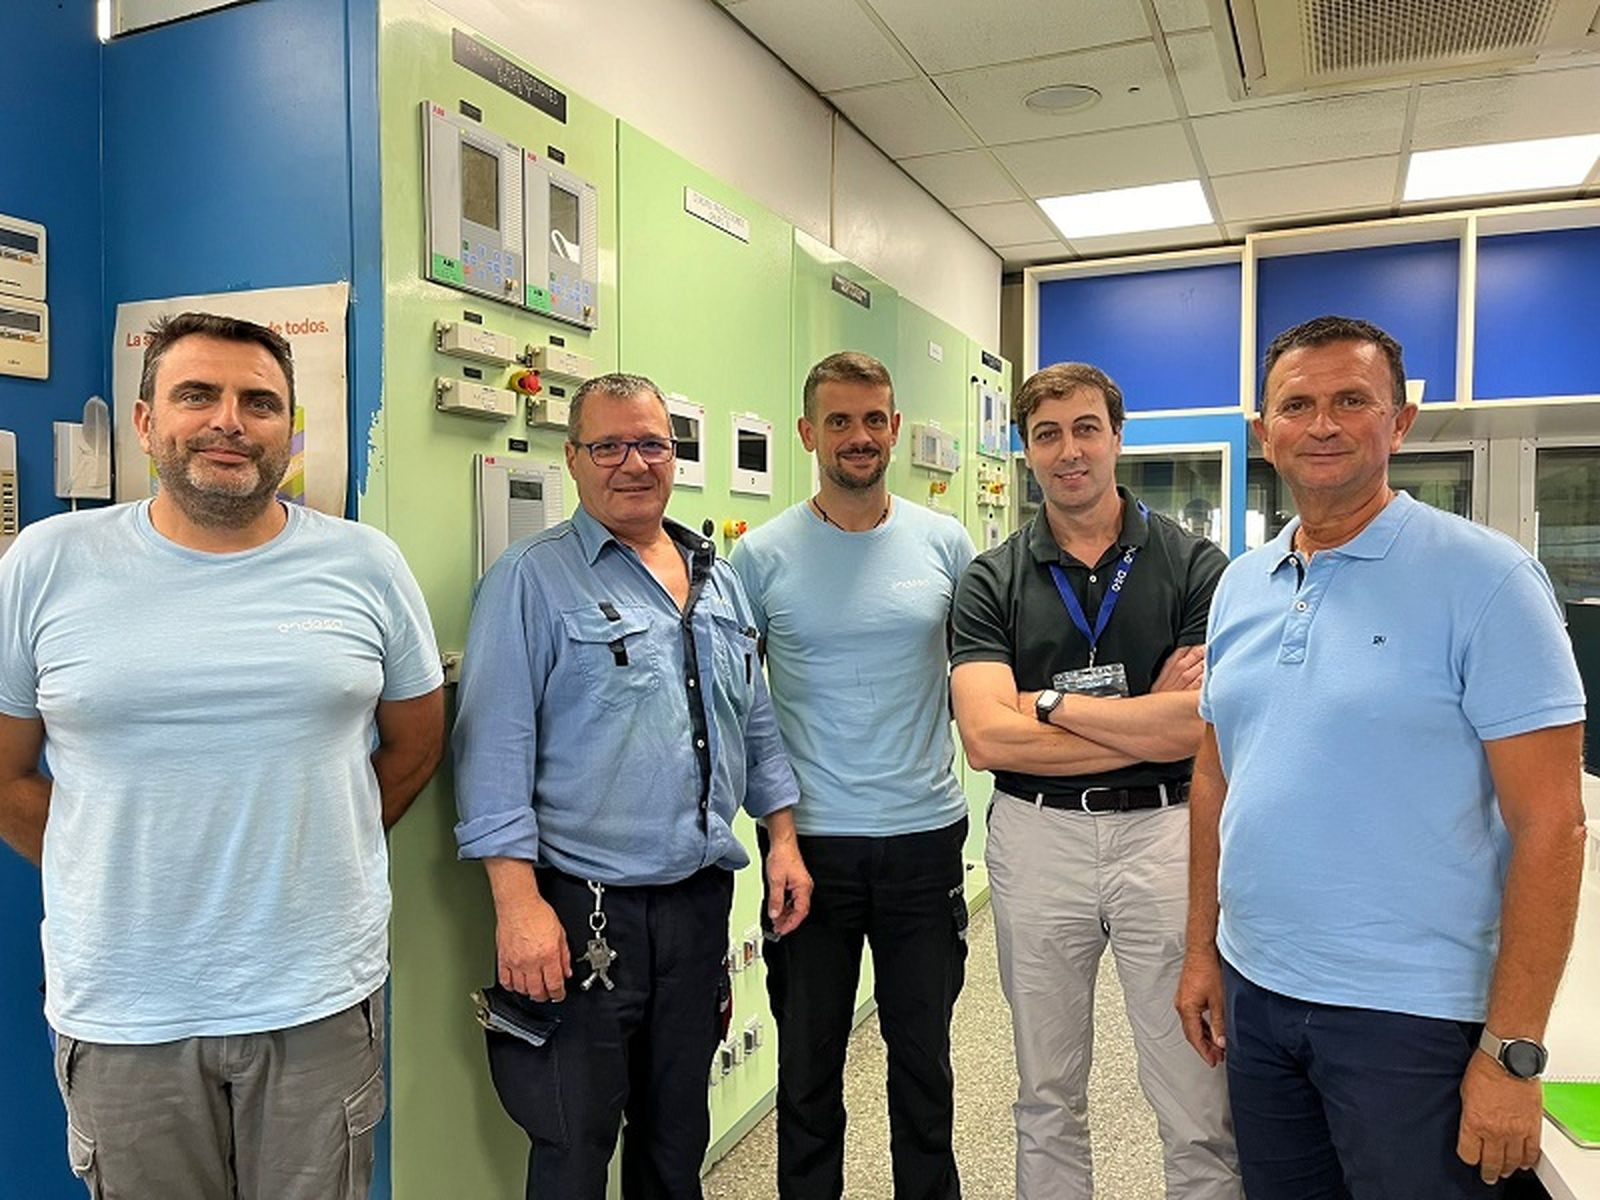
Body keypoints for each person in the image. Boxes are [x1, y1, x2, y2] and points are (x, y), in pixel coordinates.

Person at [0, 311, 446, 1200]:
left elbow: (415, 746)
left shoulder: (367, 565)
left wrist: (316, 845)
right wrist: (115, 870)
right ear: (144, 422)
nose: (229, 422)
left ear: (290, 427)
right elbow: (4, 773)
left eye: (260, 402)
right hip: (124, 1001)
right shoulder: (49, 561)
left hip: (317, 992)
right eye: (196, 395)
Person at [1176, 315, 1587, 1198]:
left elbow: (1552, 822)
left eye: (1351, 400)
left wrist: (1512, 1053)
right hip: (1258, 990)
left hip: (1415, 1018)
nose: (1322, 423)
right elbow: (1215, 774)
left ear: (1398, 424)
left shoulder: (1490, 580)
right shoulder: (1241, 584)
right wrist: (1202, 951)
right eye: (1298, 404)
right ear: (1265, 433)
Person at [452, 371, 812, 1200]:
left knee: (676, 1140)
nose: (632, 463)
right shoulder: (531, 579)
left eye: (651, 443)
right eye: (607, 445)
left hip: (696, 903)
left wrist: (782, 838)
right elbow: (493, 751)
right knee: (573, 1145)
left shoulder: (717, 578)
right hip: (581, 915)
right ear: (573, 460)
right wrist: (517, 906)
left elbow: (753, 719)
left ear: (673, 456)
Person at [951, 362, 1241, 1200]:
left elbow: (1200, 727)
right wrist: (1148, 714)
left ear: (1117, 436)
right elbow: (981, 738)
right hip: (1038, 839)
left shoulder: (1196, 567)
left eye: (1086, 429)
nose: (1068, 450)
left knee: (1194, 1090)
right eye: (1047, 434)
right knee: (1046, 1091)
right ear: (1025, 450)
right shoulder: (991, 577)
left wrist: (1042, 708)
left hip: (1167, 833)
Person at [731, 351, 976, 1200]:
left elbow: (982, 676)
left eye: (874, 419)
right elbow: (742, 705)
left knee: (923, 1069)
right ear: (808, 433)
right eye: (839, 420)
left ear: (896, 428)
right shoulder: (759, 559)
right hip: (812, 853)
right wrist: (778, 830)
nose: (859, 437)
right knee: (805, 1071)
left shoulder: (946, 543)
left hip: (922, 840)